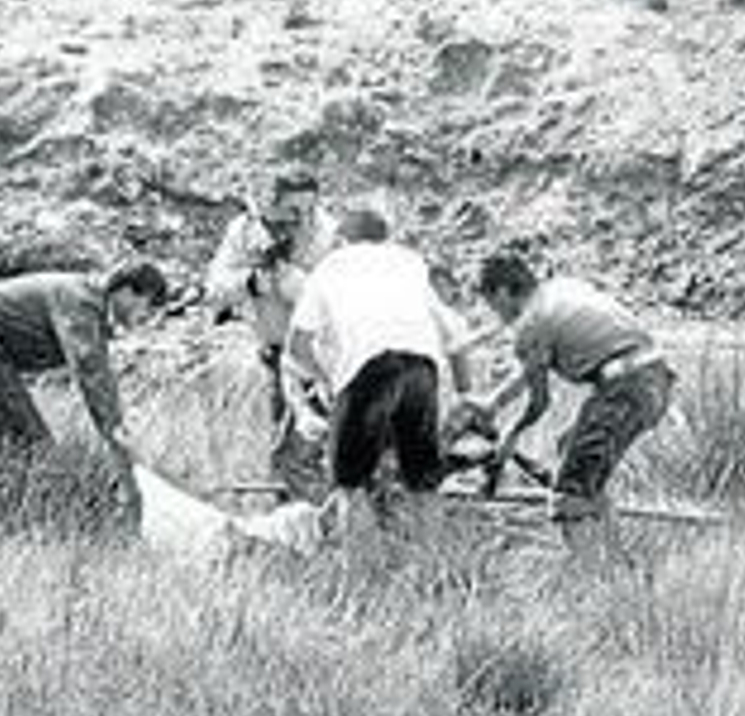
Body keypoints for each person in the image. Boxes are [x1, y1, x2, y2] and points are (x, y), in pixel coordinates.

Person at [464, 251, 676, 560]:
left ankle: (596, 577)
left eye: (490, 302)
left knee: (568, 496)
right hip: (655, 378)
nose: (494, 312)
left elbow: (540, 402)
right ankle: (617, 561)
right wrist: (495, 401)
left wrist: (512, 432)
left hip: (624, 388)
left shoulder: (530, 324)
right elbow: (532, 368)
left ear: (502, 292)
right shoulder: (560, 290)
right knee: (570, 451)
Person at [0, 261, 170, 523]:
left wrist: (116, 431)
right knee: (33, 445)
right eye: (147, 307)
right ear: (126, 291)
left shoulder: (88, 303)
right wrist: (116, 433)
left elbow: (99, 371)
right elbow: (91, 372)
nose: (146, 318)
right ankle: (48, 522)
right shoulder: (80, 303)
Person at [284, 208, 475, 525]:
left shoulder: (331, 266)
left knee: (349, 485)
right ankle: (434, 550)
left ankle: (355, 553)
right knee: (423, 482)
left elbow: (296, 345)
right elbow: (455, 335)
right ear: (386, 239)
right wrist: (465, 396)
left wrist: (328, 381)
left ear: (342, 240)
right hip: (421, 366)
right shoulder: (409, 263)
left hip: (369, 366)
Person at [204, 169, 337, 497]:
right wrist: (249, 282)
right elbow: (214, 288)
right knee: (283, 452)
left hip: (323, 357)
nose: (302, 219)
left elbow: (340, 302)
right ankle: (295, 514)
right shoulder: (244, 231)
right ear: (271, 204)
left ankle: (330, 513)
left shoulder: (329, 235)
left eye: (309, 209)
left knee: (318, 448)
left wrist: (295, 282)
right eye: (293, 210)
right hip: (276, 353)